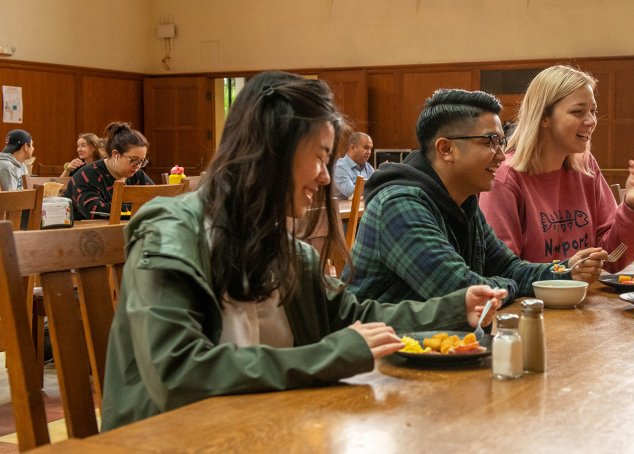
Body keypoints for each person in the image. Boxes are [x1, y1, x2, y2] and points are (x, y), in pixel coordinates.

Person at [100, 71, 506, 430]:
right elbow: (179, 373)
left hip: (268, 430)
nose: (326, 176)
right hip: (175, 439)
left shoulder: (287, 251)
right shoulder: (170, 236)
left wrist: (452, 308)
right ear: (271, 152)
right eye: (319, 157)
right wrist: (328, 357)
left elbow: (353, 315)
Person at [345, 88, 607, 304]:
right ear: (446, 149)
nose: (502, 155)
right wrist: (508, 284)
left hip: (436, 349)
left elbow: (508, 267)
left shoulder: (464, 200)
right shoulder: (399, 205)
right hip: (377, 360)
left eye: (501, 142)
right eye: (489, 142)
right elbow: (461, 291)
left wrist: (565, 270)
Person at [479, 65, 634, 272]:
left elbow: (612, 258)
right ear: (544, 118)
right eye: (578, 112)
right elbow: (501, 270)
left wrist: (632, 206)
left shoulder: (586, 167)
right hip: (529, 303)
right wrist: (565, 274)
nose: (591, 121)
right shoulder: (506, 178)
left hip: (584, 301)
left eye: (593, 111)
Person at [64, 122, 156, 220]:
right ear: (115, 154)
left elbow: (157, 199)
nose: (138, 166)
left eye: (142, 161)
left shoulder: (137, 174)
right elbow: (95, 212)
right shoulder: (85, 176)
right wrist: (143, 207)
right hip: (82, 233)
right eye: (133, 160)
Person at [333, 132, 375, 199]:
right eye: (366, 148)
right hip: (345, 208)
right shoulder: (340, 167)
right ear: (352, 147)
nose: (369, 152)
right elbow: (351, 192)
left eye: (370, 149)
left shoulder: (368, 167)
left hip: (363, 207)